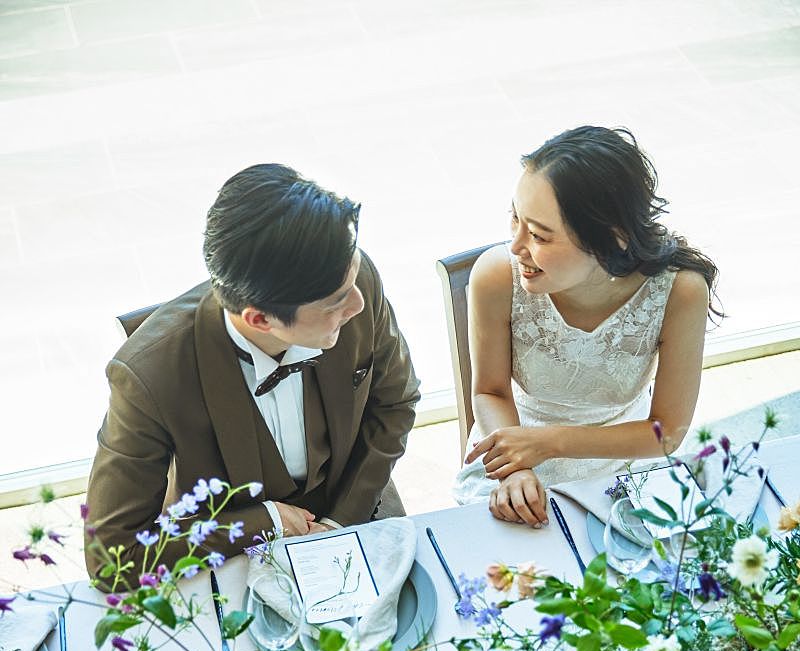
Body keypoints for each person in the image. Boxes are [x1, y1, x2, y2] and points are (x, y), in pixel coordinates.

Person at [85, 164, 419, 576]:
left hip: (360, 510)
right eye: (336, 302)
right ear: (260, 319)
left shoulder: (351, 276)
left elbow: (395, 403)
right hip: (230, 557)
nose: (358, 305)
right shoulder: (146, 376)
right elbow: (111, 559)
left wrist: (339, 522)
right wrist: (264, 522)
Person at [453, 125, 719, 527]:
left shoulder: (680, 292)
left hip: (624, 455)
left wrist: (551, 443)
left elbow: (665, 433)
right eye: (515, 218)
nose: (516, 246)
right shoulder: (495, 276)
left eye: (539, 235)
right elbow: (489, 391)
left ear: (612, 238)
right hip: (514, 442)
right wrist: (516, 468)